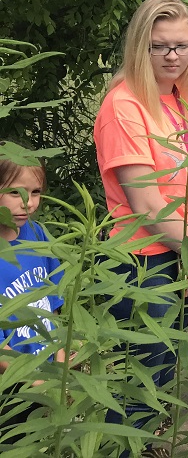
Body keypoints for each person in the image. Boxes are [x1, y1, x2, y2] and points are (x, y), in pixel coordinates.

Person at [93, 0, 188, 439]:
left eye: (182, 46)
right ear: (139, 47)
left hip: (183, 257)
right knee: (137, 384)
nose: (172, 56)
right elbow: (147, 204)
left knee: (162, 376)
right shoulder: (124, 105)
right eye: (159, 46)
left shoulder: (184, 98)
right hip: (145, 261)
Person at [0, 150, 64, 446]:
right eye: (15, 192)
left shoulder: (38, 235)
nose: (28, 203)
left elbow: (56, 302)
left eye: (36, 192)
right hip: (12, 383)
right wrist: (33, 380)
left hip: (48, 372)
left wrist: (60, 363)